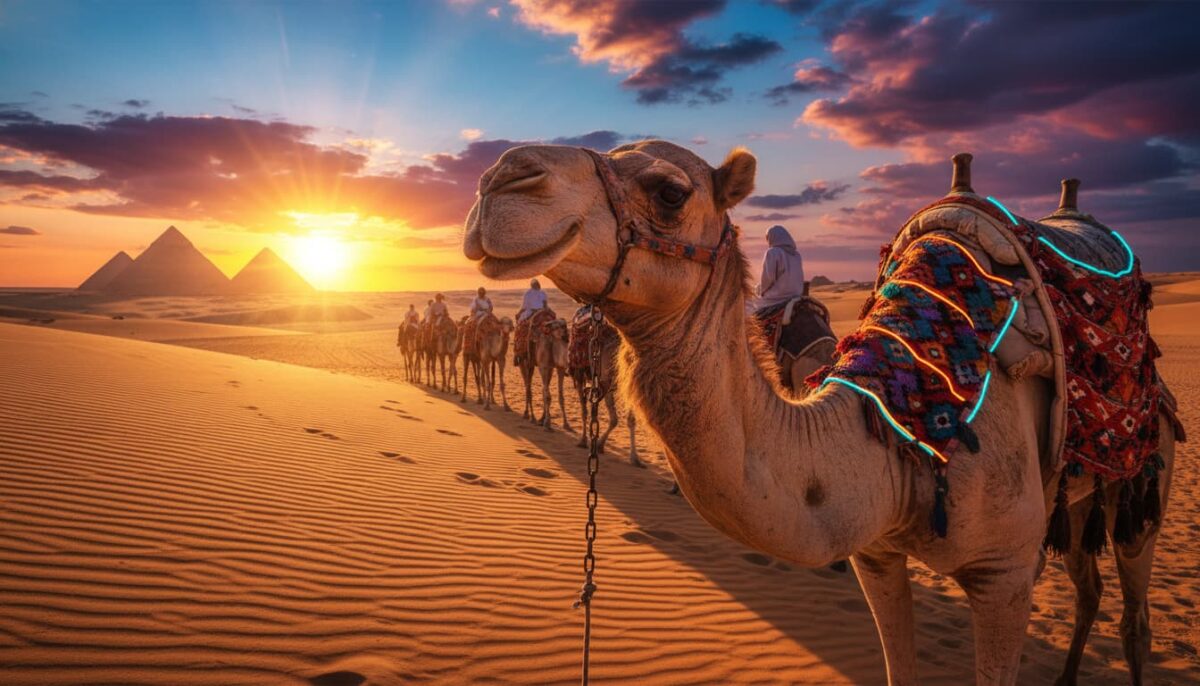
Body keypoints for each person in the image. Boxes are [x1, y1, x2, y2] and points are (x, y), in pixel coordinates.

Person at [756, 224, 806, 309]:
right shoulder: (797, 255)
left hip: (777, 296)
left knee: (750, 306)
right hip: (796, 294)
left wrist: (762, 291)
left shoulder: (772, 252)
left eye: (768, 238)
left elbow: (768, 278)